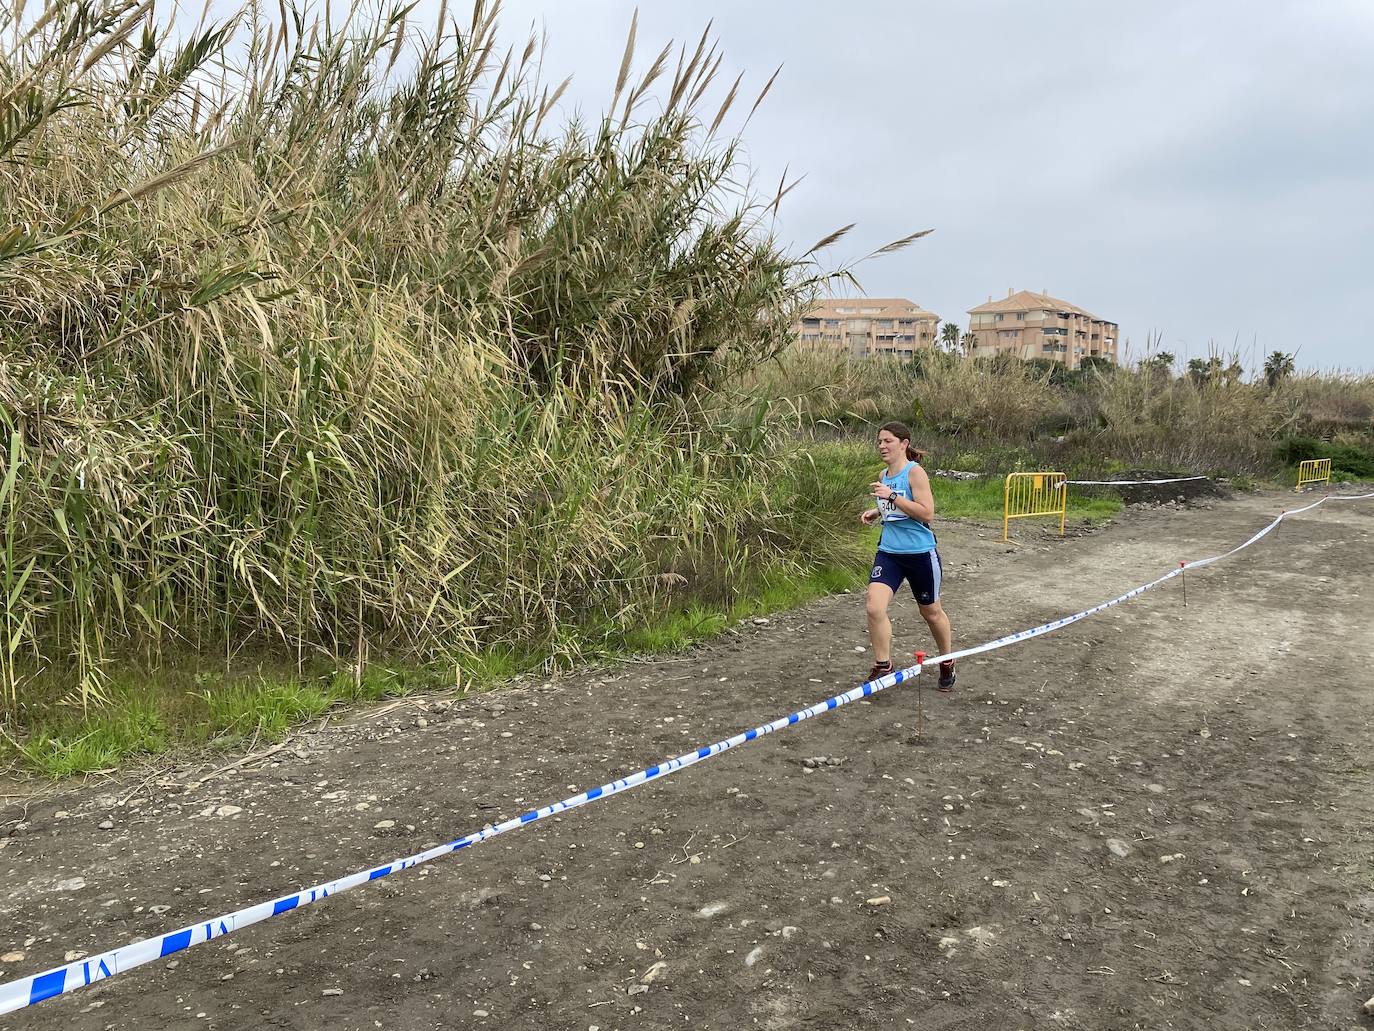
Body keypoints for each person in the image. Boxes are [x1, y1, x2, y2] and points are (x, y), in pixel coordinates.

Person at [859, 421, 956, 691]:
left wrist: (891, 497)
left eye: (887, 441)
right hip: (889, 552)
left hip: (919, 553)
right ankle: (883, 665)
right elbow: (895, 505)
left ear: (903, 444)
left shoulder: (915, 473)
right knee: (873, 606)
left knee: (931, 612)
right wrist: (876, 511)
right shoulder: (884, 474)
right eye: (879, 441)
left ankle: (946, 660)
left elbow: (926, 512)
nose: (881, 446)